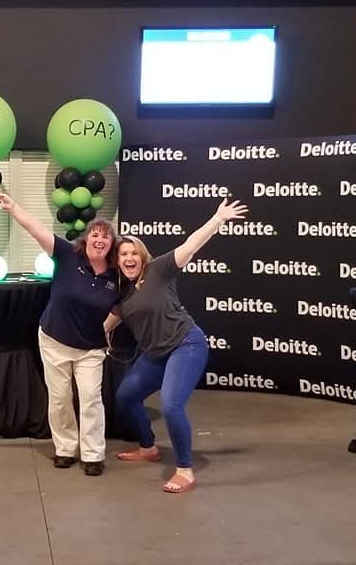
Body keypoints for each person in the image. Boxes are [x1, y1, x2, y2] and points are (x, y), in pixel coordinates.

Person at [106, 198, 248, 493]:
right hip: (155, 354)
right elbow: (109, 322)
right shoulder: (122, 293)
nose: (129, 257)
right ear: (117, 261)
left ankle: (185, 469)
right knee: (126, 397)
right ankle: (148, 448)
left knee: (171, 405)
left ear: (142, 256)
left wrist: (217, 220)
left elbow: (191, 245)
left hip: (186, 345)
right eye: (123, 254)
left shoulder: (159, 270)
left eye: (134, 252)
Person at [0, 190, 118, 476]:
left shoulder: (116, 275)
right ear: (87, 239)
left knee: (90, 398)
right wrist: (12, 207)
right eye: (94, 234)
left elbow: (125, 306)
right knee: (59, 398)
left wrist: (111, 328)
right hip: (55, 340)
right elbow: (37, 229)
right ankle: (65, 449)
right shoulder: (69, 255)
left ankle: (93, 454)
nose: (99, 240)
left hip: (92, 348)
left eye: (105, 237)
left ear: (111, 244)